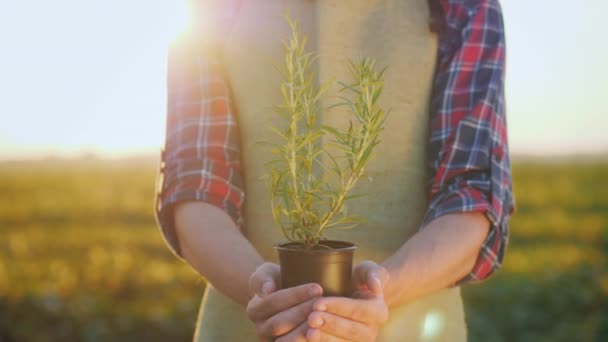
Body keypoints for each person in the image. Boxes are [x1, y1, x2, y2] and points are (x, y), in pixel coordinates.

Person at [155, 0, 514, 341]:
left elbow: (471, 196)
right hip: (243, 324)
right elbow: (196, 188)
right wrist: (262, 290)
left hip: (413, 325)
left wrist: (378, 289)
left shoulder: (464, 6)